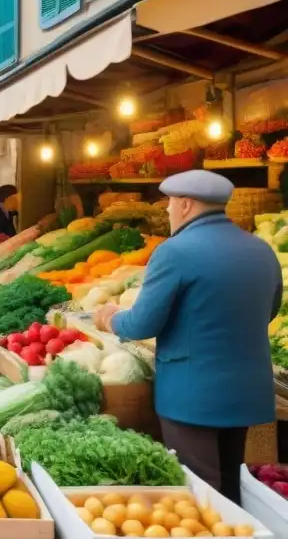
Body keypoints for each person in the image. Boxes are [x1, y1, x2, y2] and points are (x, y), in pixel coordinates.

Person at [93, 170, 280, 503]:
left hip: (194, 396)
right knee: (230, 485)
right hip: (247, 391)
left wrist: (110, 318)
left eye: (169, 204)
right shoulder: (260, 249)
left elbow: (141, 325)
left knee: (200, 492)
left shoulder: (175, 252)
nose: (166, 211)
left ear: (185, 204)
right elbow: (270, 311)